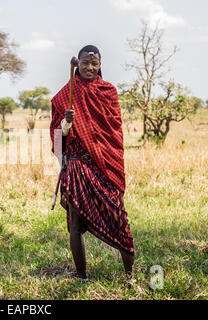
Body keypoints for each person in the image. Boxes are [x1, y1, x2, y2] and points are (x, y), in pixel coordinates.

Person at [50, 45, 135, 281]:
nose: (90, 67)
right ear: (77, 65)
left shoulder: (108, 92)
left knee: (120, 220)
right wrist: (67, 124)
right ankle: (81, 277)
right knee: (75, 224)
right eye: (85, 63)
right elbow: (58, 140)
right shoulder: (63, 97)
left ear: (100, 65)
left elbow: (114, 132)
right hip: (77, 167)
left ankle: (130, 277)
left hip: (105, 167)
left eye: (94, 63)